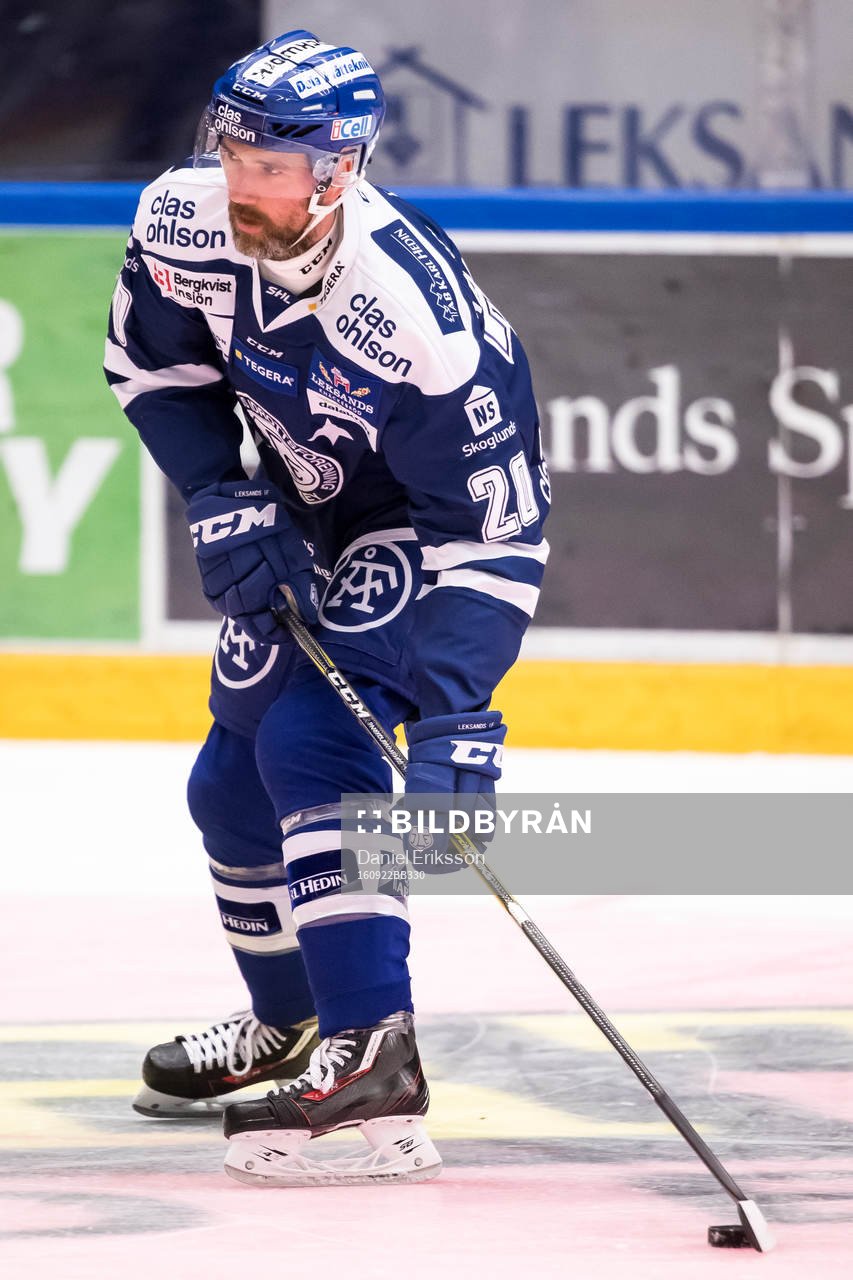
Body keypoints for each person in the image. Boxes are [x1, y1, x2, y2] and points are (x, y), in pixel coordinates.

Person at [104, 29, 550, 1187]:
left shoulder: (414, 314)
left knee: (316, 743)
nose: (243, 187)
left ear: (339, 169)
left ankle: (376, 1063)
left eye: (272, 168)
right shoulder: (180, 221)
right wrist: (217, 490)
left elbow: (494, 531)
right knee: (227, 784)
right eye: (232, 155)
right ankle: (293, 1020)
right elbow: (154, 371)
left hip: (416, 527)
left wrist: (456, 714)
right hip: (300, 509)